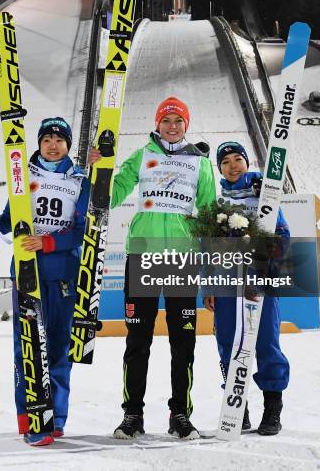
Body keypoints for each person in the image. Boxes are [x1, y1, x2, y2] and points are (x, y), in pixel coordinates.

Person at [90, 96, 216, 440]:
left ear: (185, 125)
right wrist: (99, 169)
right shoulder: (142, 156)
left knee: (183, 341)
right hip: (142, 254)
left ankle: (180, 414)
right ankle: (133, 414)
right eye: (166, 121)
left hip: (181, 258)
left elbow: (209, 215)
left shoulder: (201, 164)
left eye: (178, 121)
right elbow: (111, 195)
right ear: (157, 125)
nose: (172, 127)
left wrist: (213, 275)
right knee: (138, 340)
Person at [0, 117, 89, 447]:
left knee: (60, 347)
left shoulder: (79, 181)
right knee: (28, 346)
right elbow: (6, 221)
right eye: (47, 138)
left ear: (68, 145)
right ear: (38, 143)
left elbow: (80, 231)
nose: (53, 144)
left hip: (63, 274)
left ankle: (56, 418)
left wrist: (47, 242)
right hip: (27, 273)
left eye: (60, 139)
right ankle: (32, 418)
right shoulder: (24, 177)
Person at [203, 141, 290, 436]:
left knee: (266, 342)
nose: (232, 165)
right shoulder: (217, 205)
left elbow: (283, 235)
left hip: (260, 281)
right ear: (219, 169)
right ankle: (237, 408)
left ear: (247, 161)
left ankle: (272, 408)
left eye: (237, 159)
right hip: (227, 283)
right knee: (228, 343)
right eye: (225, 162)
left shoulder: (264, 195)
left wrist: (269, 261)